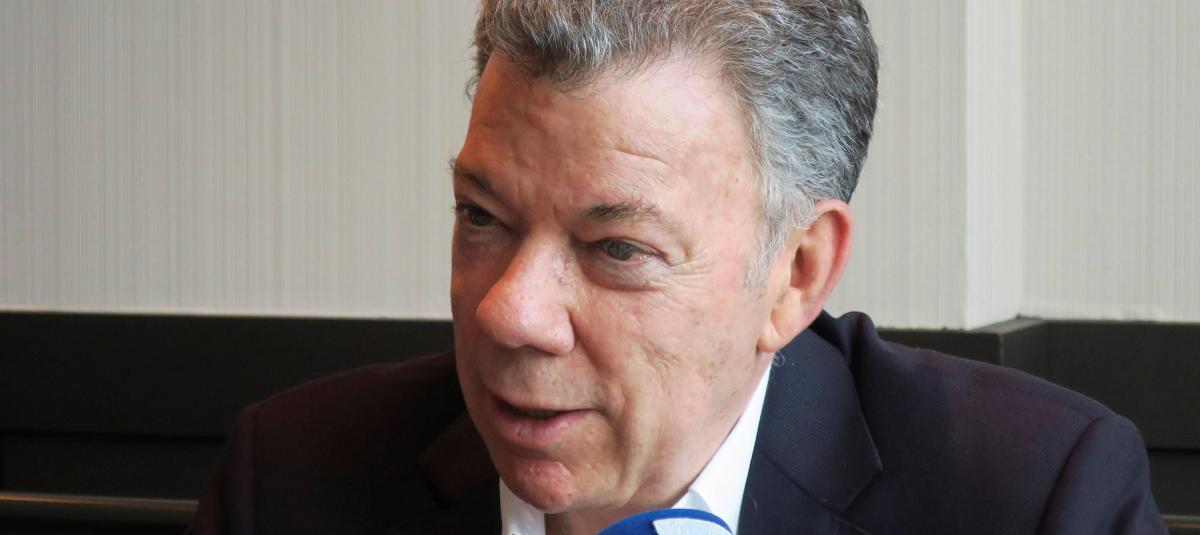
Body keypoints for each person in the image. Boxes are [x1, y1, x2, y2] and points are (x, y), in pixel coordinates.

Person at [189, 1, 1166, 533]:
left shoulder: (1034, 499)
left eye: (617, 248)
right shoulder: (291, 484)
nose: (509, 312)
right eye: (482, 216)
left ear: (795, 275)